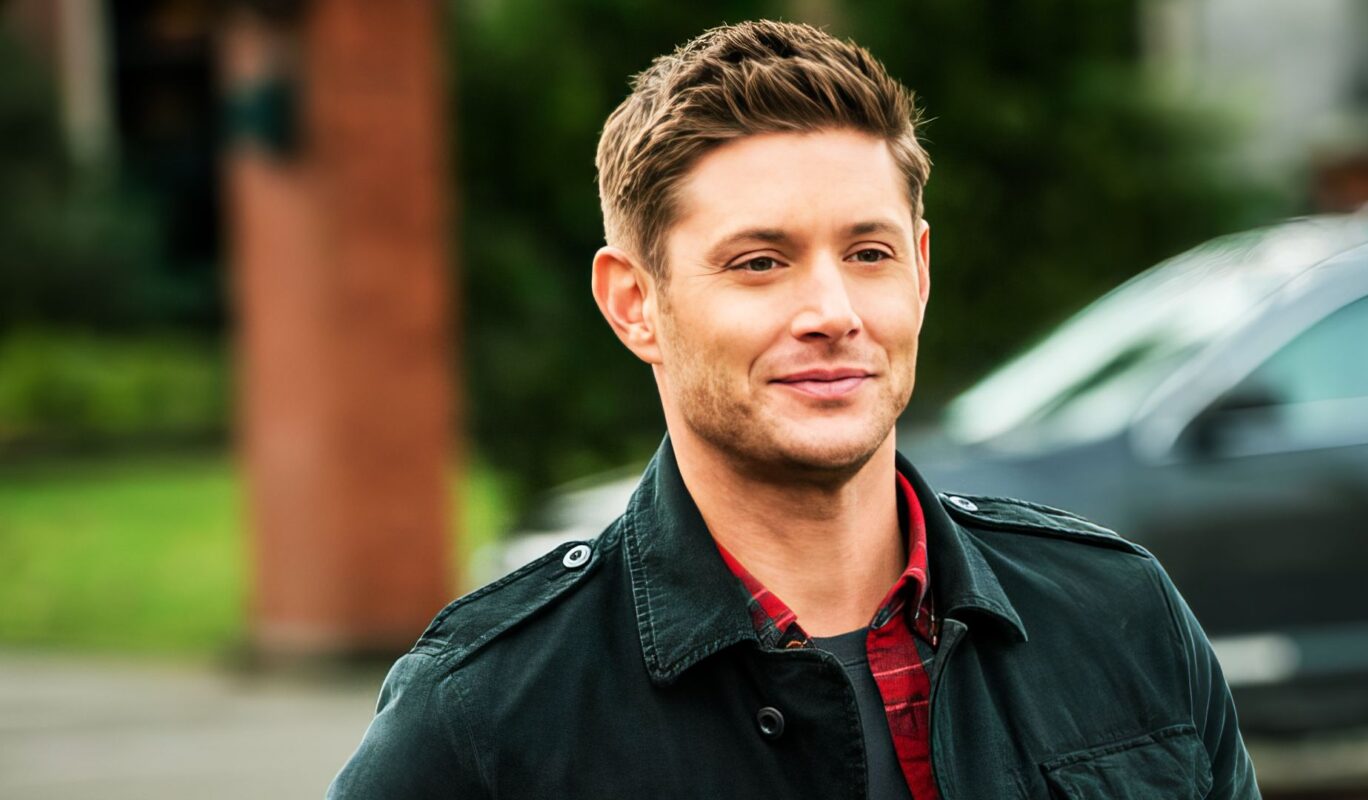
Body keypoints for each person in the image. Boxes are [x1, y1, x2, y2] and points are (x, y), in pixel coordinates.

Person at [328, 20, 1259, 799]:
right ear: (634, 304)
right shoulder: (486, 715)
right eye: (760, 263)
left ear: (920, 272)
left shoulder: (1121, 615)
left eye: (868, 254)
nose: (833, 313)